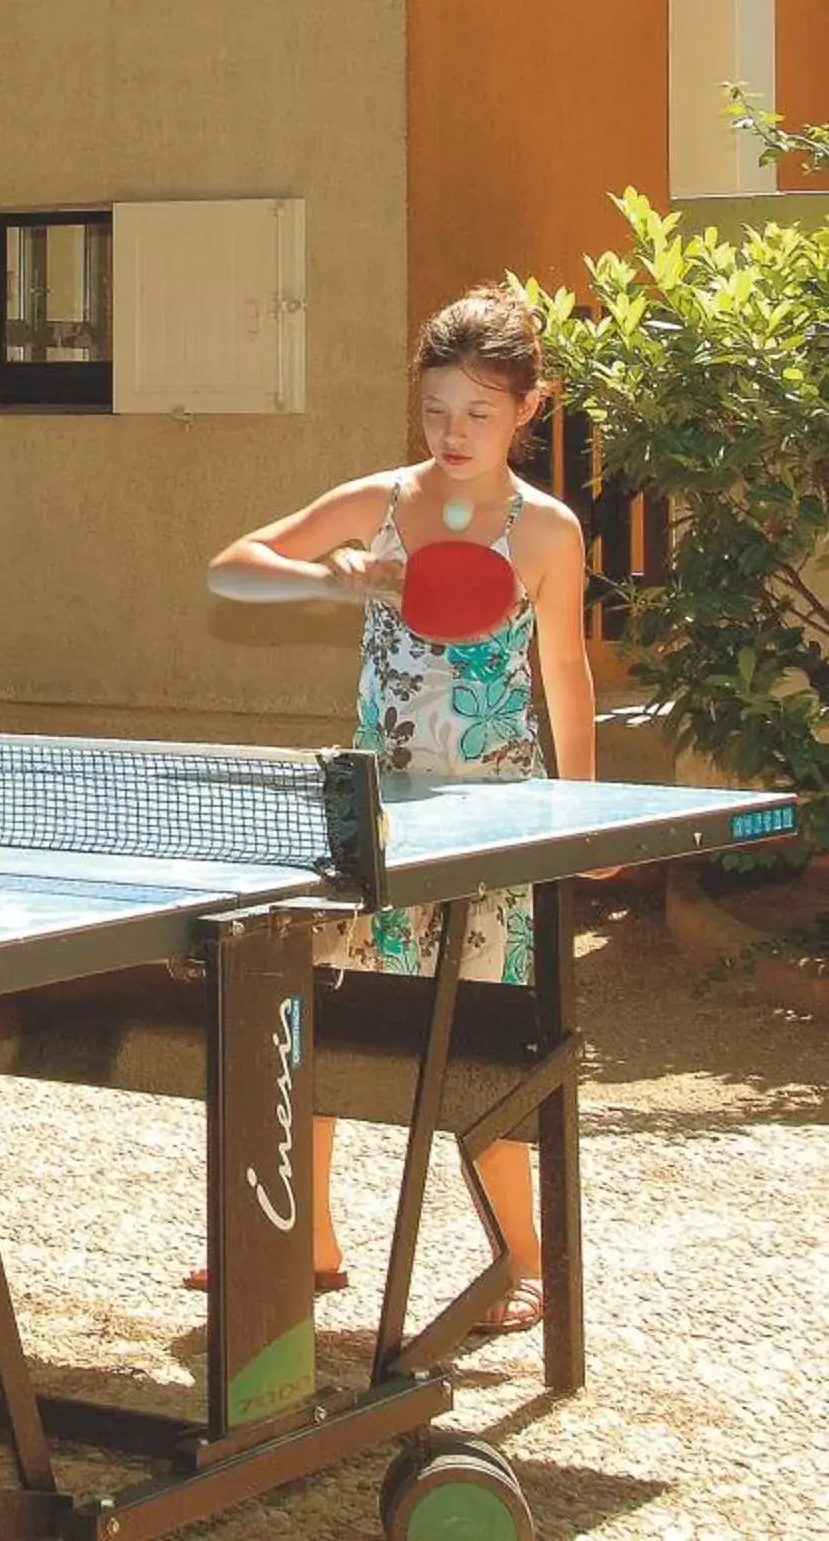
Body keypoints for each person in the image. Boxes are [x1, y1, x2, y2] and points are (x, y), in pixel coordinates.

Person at [205, 285, 596, 1337]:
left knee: (477, 1043)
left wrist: (591, 818)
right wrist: (340, 581)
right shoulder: (377, 500)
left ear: (528, 407)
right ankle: (306, 1246)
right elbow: (230, 570)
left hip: (489, 828)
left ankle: (522, 1261)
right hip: (372, 816)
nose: (452, 432)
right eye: (436, 409)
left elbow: (564, 670)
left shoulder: (548, 530)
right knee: (324, 1024)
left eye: (477, 411)